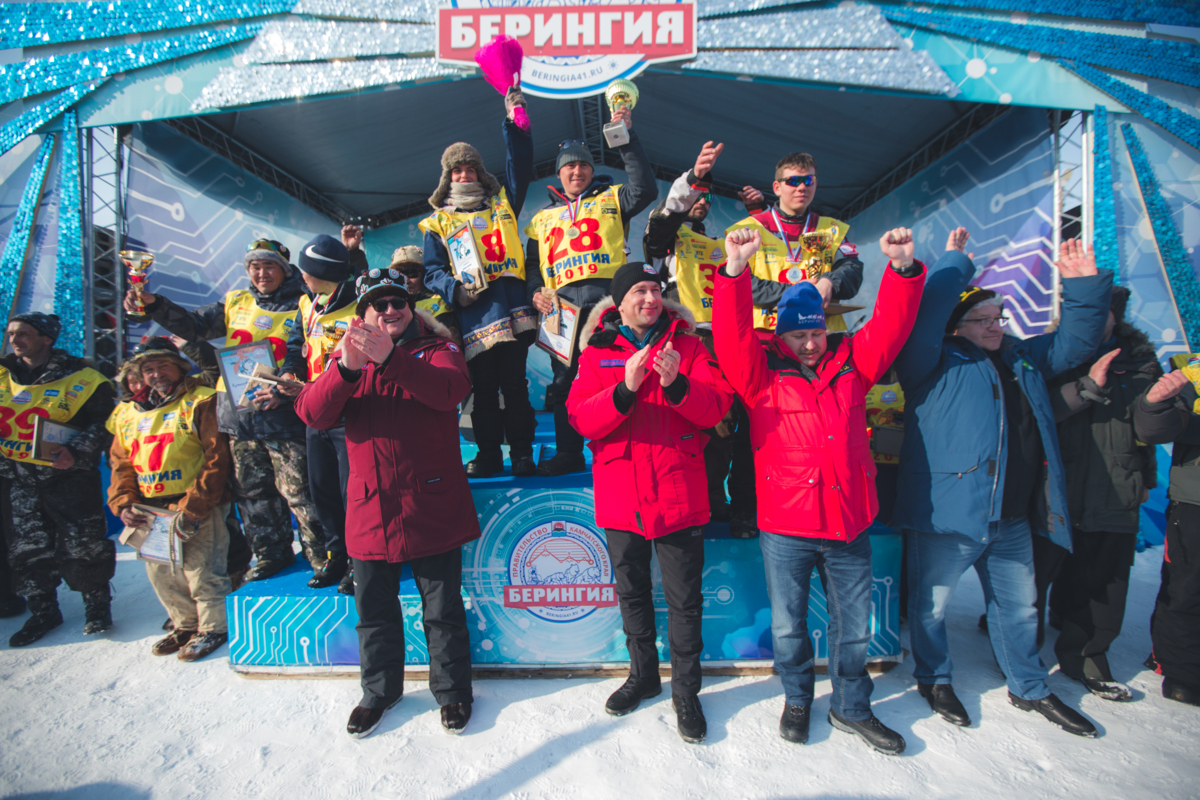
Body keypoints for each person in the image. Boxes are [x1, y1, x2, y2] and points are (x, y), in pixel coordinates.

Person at [713, 226, 926, 755]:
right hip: (786, 528)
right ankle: (798, 698)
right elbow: (731, 335)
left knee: (853, 630)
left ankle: (852, 706)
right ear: (780, 337)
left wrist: (900, 271)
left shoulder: (854, 364)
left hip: (849, 523)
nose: (810, 343)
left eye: (816, 334)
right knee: (788, 630)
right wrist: (735, 270)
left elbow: (892, 327)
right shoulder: (759, 377)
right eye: (798, 336)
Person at [892, 233, 1110, 737]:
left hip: (1010, 517)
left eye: (999, 319)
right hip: (948, 515)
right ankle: (934, 677)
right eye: (983, 320)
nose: (995, 327)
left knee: (1020, 608)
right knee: (932, 606)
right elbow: (925, 317)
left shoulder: (1021, 358)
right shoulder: (930, 361)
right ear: (958, 325)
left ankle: (1029, 686)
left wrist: (1083, 289)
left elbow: (1076, 343)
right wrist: (955, 265)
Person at [295, 268, 480, 738]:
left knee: (442, 609)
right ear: (363, 315)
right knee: (373, 612)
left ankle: (453, 691)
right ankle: (380, 692)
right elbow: (312, 413)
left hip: (430, 504)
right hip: (369, 509)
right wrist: (347, 367)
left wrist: (392, 359)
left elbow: (449, 391)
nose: (390, 310)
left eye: (398, 301)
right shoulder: (346, 360)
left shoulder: (440, 349)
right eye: (378, 304)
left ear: (411, 308)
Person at [566, 260, 733, 744]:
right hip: (622, 496)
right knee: (632, 594)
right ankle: (643, 676)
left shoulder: (688, 345)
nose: (650, 299)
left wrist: (679, 384)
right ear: (619, 303)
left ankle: (686, 692)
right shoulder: (597, 351)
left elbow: (717, 407)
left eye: (655, 290)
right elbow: (581, 418)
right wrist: (626, 388)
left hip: (678, 493)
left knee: (685, 602)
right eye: (639, 291)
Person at [125, 239, 325, 583]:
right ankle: (271, 554)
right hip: (239, 415)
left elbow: (311, 353)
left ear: (285, 269)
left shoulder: (305, 302)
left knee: (299, 493)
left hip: (283, 413)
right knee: (253, 493)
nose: (261, 273)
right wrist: (153, 303)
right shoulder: (236, 301)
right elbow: (194, 326)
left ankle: (321, 555)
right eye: (255, 267)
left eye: (270, 266)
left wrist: (289, 389)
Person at [722, 152, 865, 538]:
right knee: (753, 434)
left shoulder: (833, 228)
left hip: (821, 349)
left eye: (808, 180)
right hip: (765, 350)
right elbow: (745, 284)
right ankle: (745, 512)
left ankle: (831, 509)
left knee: (825, 434)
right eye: (793, 181)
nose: (801, 187)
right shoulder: (748, 227)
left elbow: (854, 272)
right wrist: (800, 295)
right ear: (777, 186)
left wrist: (831, 282)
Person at [1036, 286, 1160, 701]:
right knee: (1036, 571)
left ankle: (1088, 653)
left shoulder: (1141, 361)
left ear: (1114, 317)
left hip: (1115, 482)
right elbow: (1038, 411)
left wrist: (1146, 478)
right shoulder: (1053, 355)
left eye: (1101, 312)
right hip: (1057, 483)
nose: (1092, 319)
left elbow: (1148, 429)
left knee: (1103, 578)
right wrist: (1088, 385)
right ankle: (1022, 638)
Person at [525, 106, 658, 477]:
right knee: (564, 383)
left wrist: (626, 138)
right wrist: (535, 291)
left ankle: (620, 449)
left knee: (615, 374)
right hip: (560, 310)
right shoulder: (541, 218)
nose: (577, 171)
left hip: (606, 304)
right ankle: (568, 453)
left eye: (583, 165)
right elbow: (533, 266)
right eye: (570, 166)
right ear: (559, 172)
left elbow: (647, 188)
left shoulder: (613, 198)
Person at [642, 141, 762, 522]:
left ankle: (740, 505)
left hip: (734, 341)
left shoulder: (722, 242)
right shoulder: (671, 242)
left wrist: (758, 213)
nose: (701, 200)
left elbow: (772, 255)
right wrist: (693, 179)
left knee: (740, 425)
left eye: (707, 196)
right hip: (693, 342)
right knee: (704, 424)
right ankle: (707, 502)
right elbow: (664, 220)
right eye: (696, 194)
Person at [422, 90, 536, 478]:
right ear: (447, 177)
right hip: (473, 316)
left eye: (470, 169)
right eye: (457, 171)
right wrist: (455, 290)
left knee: (515, 387)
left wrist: (515, 123)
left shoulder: (502, 204)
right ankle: (489, 455)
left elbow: (519, 167)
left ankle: (522, 453)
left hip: (513, 310)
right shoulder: (437, 222)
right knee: (482, 391)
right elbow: (431, 272)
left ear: (480, 173)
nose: (464, 175)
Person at [108, 338, 233, 662]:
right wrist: (123, 504)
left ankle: (213, 628)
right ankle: (185, 624)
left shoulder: (200, 400)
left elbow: (216, 458)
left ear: (178, 367)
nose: (156, 373)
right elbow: (121, 464)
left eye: (163, 365)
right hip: (150, 509)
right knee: (162, 574)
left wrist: (194, 507)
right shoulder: (127, 412)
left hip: (193, 504)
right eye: (148, 369)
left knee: (202, 570)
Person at [0, 313, 116, 647]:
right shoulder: (3, 373)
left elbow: (107, 422)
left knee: (84, 544)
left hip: (68, 477)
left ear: (46, 339)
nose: (15, 340)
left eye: (24, 334)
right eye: (11, 334)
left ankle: (97, 609)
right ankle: (43, 611)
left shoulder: (85, 378)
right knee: (27, 549)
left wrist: (76, 451)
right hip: (16, 478)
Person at [278, 233, 359, 593]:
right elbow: (296, 345)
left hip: (350, 412)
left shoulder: (360, 303)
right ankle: (336, 555)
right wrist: (289, 372)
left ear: (321, 272)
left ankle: (360, 560)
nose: (301, 276)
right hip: (313, 408)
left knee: (349, 492)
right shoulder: (307, 303)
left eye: (306, 271)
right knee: (321, 489)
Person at [1131, 359, 1200, 706]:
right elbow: (1153, 427)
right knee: (1187, 588)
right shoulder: (1193, 371)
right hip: (1196, 502)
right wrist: (1156, 403)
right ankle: (1183, 673)